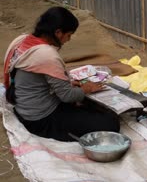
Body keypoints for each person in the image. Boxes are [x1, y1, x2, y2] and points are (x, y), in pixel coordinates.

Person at [3, 7, 120, 141]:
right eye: (69, 35)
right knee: (111, 123)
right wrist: (86, 88)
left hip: (23, 110)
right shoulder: (47, 55)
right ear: (58, 32)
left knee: (89, 107)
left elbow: (40, 78)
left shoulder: (22, 40)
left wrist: (70, 84)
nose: (68, 40)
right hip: (39, 120)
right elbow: (67, 96)